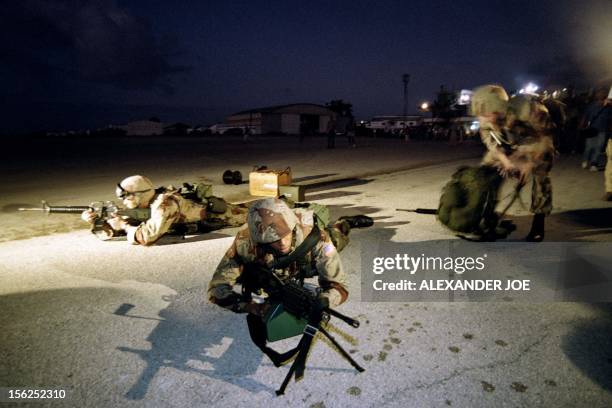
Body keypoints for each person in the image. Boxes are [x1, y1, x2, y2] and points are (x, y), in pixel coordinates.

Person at [207, 198, 372, 364]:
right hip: (272, 270)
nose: (282, 243)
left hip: (305, 258)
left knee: (337, 239)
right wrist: (253, 307)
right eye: (273, 240)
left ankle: (345, 223)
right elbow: (216, 289)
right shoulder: (245, 241)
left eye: (285, 234)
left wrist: (325, 300)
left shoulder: (317, 238)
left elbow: (339, 286)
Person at [471, 85, 555, 242]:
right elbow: (492, 144)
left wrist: (529, 164)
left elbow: (546, 140)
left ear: (499, 108)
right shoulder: (485, 117)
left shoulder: (530, 110)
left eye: (487, 113)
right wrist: (506, 162)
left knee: (541, 178)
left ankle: (539, 220)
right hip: (512, 144)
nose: (482, 118)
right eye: (480, 114)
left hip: (537, 144)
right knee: (487, 171)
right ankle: (487, 216)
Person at [81, 175, 249, 245]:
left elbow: (146, 236)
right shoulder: (147, 204)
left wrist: (124, 226)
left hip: (230, 216)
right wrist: (98, 221)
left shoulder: (165, 204)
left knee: (258, 213)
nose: (124, 201)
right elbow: (122, 227)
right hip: (204, 218)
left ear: (140, 195)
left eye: (127, 196)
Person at [581, 88, 611, 171]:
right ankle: (585, 160)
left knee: (599, 147)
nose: (601, 95)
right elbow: (585, 115)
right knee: (589, 147)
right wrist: (582, 125)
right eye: (600, 94)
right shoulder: (591, 106)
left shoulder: (608, 107)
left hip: (602, 130)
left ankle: (593, 163)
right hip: (592, 129)